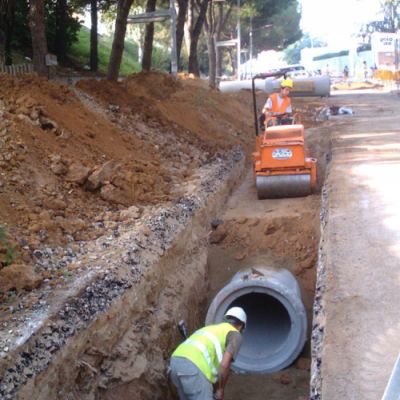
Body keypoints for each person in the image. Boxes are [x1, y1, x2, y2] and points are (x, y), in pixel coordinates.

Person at [169, 307, 247, 400]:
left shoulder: (210, 328)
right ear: (241, 326)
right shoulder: (235, 334)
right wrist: (220, 389)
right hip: (194, 367)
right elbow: (224, 365)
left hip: (175, 362)